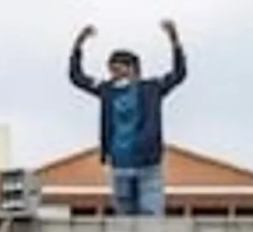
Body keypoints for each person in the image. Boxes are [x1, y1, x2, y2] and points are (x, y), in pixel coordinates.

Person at [68, 19, 188, 216]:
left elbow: (179, 74)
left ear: (132, 68)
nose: (113, 73)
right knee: (124, 221)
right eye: (111, 69)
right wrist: (78, 44)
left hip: (148, 163)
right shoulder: (106, 89)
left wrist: (174, 40)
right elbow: (76, 77)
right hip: (119, 164)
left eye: (117, 68)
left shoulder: (151, 88)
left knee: (150, 217)